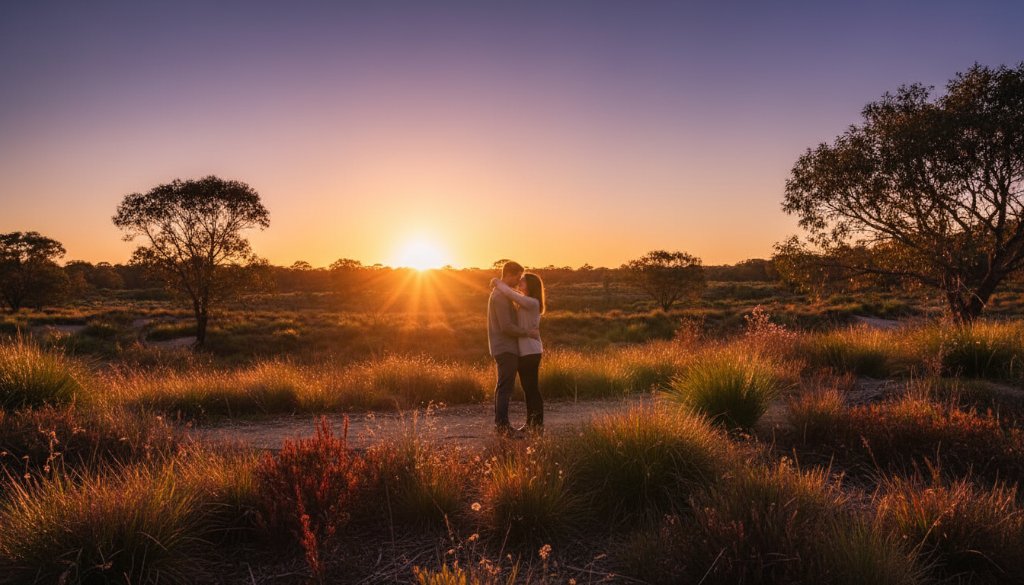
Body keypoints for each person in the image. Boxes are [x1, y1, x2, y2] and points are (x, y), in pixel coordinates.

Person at [487, 261, 538, 434]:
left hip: (505, 347)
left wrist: (497, 282)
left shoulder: (502, 293)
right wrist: (526, 332)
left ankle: (501, 424)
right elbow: (506, 326)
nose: (518, 280)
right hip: (505, 347)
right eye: (517, 276)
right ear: (509, 274)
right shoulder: (500, 297)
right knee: (505, 388)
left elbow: (515, 295)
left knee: (503, 387)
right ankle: (502, 426)